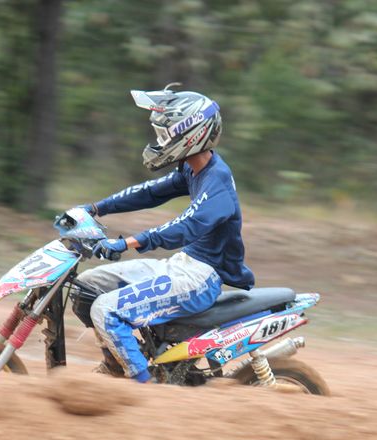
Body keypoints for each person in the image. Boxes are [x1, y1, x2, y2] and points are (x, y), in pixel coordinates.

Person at [71, 85, 255, 383]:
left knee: (107, 310)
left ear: (190, 134)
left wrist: (128, 242)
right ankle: (118, 365)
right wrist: (95, 208)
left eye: (164, 134)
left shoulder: (217, 182)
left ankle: (146, 390)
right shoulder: (193, 169)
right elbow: (150, 192)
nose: (160, 141)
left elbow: (186, 226)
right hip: (181, 266)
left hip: (200, 278)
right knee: (87, 287)